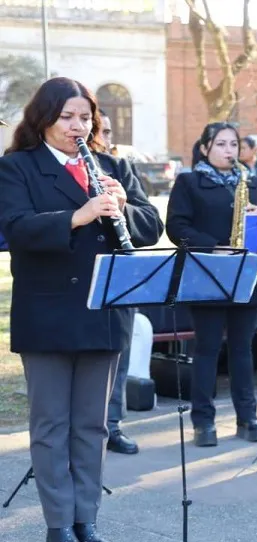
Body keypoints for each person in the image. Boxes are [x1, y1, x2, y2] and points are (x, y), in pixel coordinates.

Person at [0, 77, 163, 542]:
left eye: (85, 116)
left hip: (103, 311)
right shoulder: (16, 167)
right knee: (51, 427)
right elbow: (14, 228)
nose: (78, 125)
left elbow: (151, 224)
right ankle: (59, 530)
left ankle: (87, 522)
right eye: (68, 116)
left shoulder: (112, 165)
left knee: (92, 426)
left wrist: (122, 205)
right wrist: (79, 215)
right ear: (44, 118)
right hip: (47, 311)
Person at [166, 123, 257, 446]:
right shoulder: (189, 181)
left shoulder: (251, 181)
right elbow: (176, 226)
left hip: (245, 272)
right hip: (207, 271)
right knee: (207, 349)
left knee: (243, 349)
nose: (230, 151)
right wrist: (212, 245)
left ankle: (248, 416)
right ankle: (203, 421)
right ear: (205, 148)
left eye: (234, 145)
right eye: (221, 144)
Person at [98, 108, 139, 455]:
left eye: (109, 133)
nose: (105, 139)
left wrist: (123, 206)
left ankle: (113, 425)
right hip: (78, 278)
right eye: (102, 131)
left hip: (120, 275)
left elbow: (151, 223)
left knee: (119, 357)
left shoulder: (120, 168)